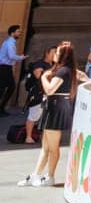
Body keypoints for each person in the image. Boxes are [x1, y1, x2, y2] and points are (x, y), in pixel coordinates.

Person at [17, 41, 76, 187]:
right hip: (53, 107)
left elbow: (49, 90)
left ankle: (49, 176)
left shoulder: (63, 71)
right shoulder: (64, 69)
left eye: (57, 53)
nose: (54, 55)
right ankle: (36, 175)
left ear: (63, 55)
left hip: (56, 108)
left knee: (52, 146)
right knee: (46, 146)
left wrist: (43, 77)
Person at [0, 24, 24, 113]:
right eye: (18, 32)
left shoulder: (8, 42)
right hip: (5, 68)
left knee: (4, 88)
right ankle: (1, 108)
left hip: (5, 68)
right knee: (10, 87)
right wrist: (21, 57)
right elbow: (11, 56)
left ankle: (1, 108)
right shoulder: (10, 43)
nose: (20, 33)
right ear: (12, 33)